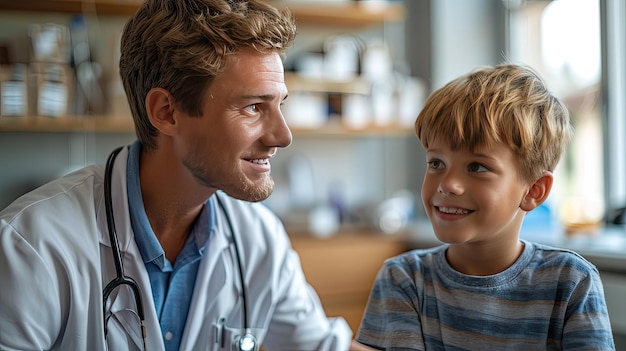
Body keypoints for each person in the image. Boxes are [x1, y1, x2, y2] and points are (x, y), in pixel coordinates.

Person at [0, 0, 356, 350]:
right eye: (253, 107)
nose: (283, 135)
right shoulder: (31, 245)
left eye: (280, 105)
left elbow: (321, 345)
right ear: (166, 112)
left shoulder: (258, 239)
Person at [354, 64, 615, 350]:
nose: (448, 184)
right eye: (436, 163)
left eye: (477, 167)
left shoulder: (572, 282)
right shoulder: (404, 278)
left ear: (534, 191)